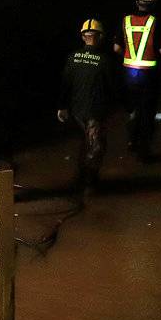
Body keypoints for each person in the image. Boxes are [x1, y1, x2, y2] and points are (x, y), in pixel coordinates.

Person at [58, 19, 114, 196]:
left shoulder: (72, 57)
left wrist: (62, 107)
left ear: (83, 36)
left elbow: (65, 84)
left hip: (76, 111)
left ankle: (79, 179)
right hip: (94, 112)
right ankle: (89, 183)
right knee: (95, 147)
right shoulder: (104, 60)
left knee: (83, 145)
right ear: (100, 37)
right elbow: (112, 86)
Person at [120, 0, 161, 160]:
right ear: (153, 3)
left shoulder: (125, 21)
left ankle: (131, 139)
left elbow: (117, 47)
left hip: (129, 75)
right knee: (147, 112)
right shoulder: (155, 22)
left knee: (133, 109)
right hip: (149, 75)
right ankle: (144, 151)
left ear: (137, 1)